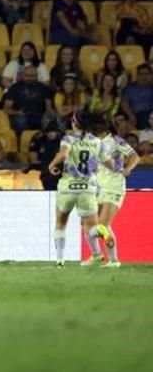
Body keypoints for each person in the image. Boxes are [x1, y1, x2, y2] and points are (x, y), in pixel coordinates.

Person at [46, 112, 114, 267]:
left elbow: (63, 153)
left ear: (74, 123)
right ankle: (102, 232)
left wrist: (51, 164)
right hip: (88, 188)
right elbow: (111, 164)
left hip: (68, 187)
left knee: (61, 224)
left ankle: (60, 260)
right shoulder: (97, 142)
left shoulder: (68, 139)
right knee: (90, 227)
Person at [91, 117, 139, 268]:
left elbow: (135, 156)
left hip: (114, 186)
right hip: (99, 186)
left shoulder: (116, 141)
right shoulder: (94, 143)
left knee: (103, 226)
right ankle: (110, 259)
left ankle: (113, 260)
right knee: (97, 226)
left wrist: (127, 169)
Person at [28, 121, 63, 191]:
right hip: (41, 166)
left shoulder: (63, 139)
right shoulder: (38, 138)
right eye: (48, 131)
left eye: (53, 131)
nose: (50, 134)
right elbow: (33, 160)